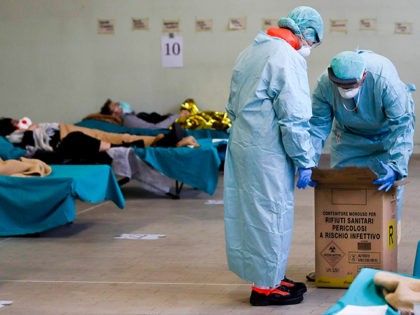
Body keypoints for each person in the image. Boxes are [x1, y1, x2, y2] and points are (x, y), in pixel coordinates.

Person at [223, 6, 323, 306]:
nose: (312, 47)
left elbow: (231, 104)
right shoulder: (286, 57)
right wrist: (305, 159)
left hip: (243, 143)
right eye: (314, 40)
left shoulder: (251, 51)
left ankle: (271, 275)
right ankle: (266, 287)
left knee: (252, 214)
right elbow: (293, 118)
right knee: (271, 214)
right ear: (305, 34)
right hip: (267, 150)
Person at [309, 50, 415, 243]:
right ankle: (348, 251)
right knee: (343, 189)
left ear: (364, 76)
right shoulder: (325, 84)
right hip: (349, 137)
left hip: (386, 136)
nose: (345, 90)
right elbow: (317, 125)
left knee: (387, 193)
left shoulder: (384, 81)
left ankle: (386, 250)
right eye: (340, 85)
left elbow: (401, 127)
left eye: (351, 85)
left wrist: (396, 166)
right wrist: (308, 162)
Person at [0, 117, 199, 164]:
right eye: (16, 122)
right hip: (66, 137)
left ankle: (163, 139)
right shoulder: (16, 138)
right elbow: (30, 148)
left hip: (66, 130)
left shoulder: (28, 130)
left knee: (121, 137)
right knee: (120, 139)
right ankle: (162, 141)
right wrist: (30, 130)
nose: (22, 122)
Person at [99, 99, 190, 129]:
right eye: (116, 106)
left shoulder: (132, 116)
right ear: (114, 115)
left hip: (171, 120)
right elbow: (156, 128)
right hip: (170, 125)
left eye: (116, 103)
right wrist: (176, 116)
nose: (119, 104)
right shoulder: (128, 120)